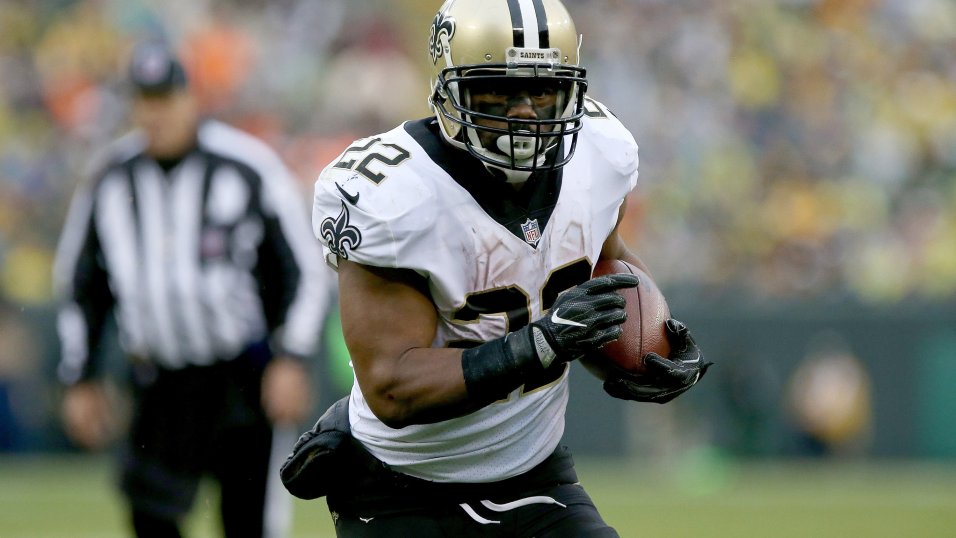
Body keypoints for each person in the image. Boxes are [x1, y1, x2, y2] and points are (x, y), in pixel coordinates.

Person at [284, 1, 711, 536]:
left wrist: (646, 348)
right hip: (404, 484)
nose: (526, 112)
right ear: (448, 90)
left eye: (541, 90)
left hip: (533, 472)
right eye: (499, 91)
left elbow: (606, 261)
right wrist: (540, 344)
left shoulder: (600, 154)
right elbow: (392, 387)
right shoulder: (396, 194)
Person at [53, 41, 334, 538]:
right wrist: (81, 375)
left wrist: (291, 357)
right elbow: (81, 283)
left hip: (241, 377)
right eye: (145, 100)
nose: (156, 113)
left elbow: (304, 270)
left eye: (166, 98)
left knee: (249, 522)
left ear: (189, 98)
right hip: (157, 380)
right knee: (151, 519)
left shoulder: (246, 166)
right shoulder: (109, 180)